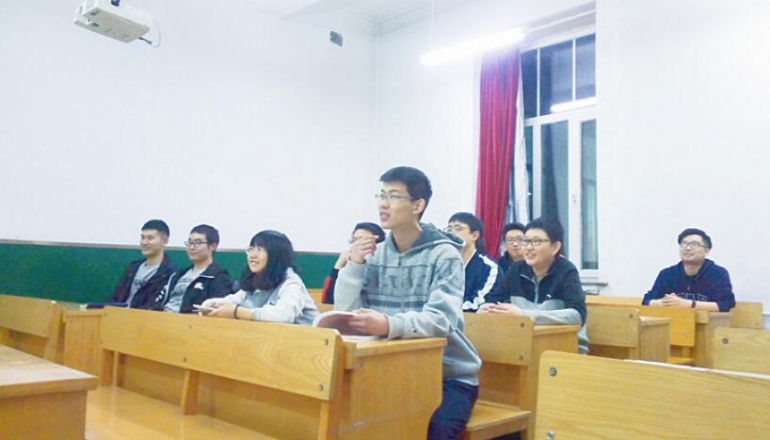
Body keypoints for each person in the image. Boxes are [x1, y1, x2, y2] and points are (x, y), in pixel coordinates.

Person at [334, 166, 481, 440]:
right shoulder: (374, 254)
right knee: (347, 422)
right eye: (381, 195)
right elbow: (348, 316)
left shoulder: (444, 255)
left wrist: (388, 324)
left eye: (393, 196)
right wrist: (353, 266)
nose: (383, 203)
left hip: (447, 375)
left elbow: (442, 321)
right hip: (389, 369)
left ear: (417, 205)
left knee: (432, 432)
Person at [481, 217, 589, 354]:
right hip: (523, 344)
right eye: (526, 241)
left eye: (536, 242)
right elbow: (493, 300)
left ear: (555, 247)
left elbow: (577, 315)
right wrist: (488, 309)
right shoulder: (516, 269)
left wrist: (524, 315)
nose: (528, 248)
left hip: (563, 347)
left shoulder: (566, 271)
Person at [201, 230, 318, 324]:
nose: (253, 255)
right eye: (251, 249)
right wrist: (212, 305)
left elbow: (284, 316)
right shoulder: (256, 278)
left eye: (260, 249)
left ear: (275, 255)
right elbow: (233, 300)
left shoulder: (292, 282)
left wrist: (236, 312)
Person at [642, 228, 735, 312]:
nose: (688, 248)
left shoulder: (718, 274)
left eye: (694, 244)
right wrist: (661, 303)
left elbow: (726, 304)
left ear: (706, 250)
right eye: (684, 244)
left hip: (706, 323)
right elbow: (646, 301)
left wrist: (689, 304)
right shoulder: (667, 274)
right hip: (674, 322)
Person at [151, 224, 232, 313]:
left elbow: (215, 311)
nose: (191, 247)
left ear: (213, 246)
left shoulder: (218, 277)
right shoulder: (178, 274)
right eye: (189, 242)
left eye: (198, 243)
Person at [111, 219, 176, 309]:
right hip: (117, 314)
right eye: (142, 237)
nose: (144, 242)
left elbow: (154, 306)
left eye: (150, 238)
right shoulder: (132, 268)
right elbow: (115, 297)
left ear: (164, 241)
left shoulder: (169, 273)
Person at [446, 212, 504, 311]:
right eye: (449, 229)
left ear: (474, 235)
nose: (451, 233)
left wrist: (445, 310)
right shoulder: (444, 264)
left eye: (457, 228)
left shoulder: (489, 268)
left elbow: (480, 303)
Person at [321, 222, 385, 305]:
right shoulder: (348, 267)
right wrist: (339, 265)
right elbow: (328, 300)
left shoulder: (383, 266)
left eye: (364, 241)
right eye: (355, 240)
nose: (357, 245)